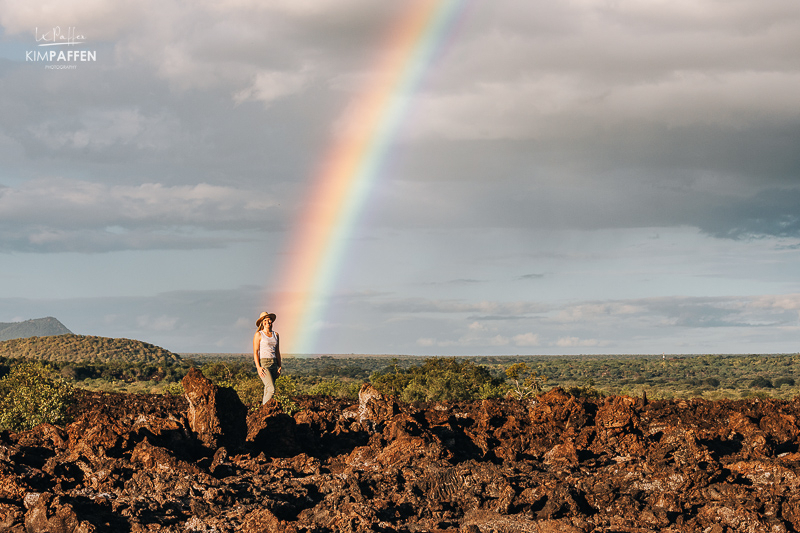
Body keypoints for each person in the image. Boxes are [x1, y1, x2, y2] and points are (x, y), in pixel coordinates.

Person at [253, 311, 282, 404]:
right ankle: (263, 410)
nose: (268, 322)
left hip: (274, 363)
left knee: (267, 388)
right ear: (262, 322)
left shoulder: (276, 335)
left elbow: (277, 352)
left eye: (269, 320)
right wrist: (258, 367)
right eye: (265, 320)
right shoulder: (259, 335)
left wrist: (279, 366)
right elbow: (255, 352)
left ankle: (262, 409)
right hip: (264, 363)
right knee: (271, 389)